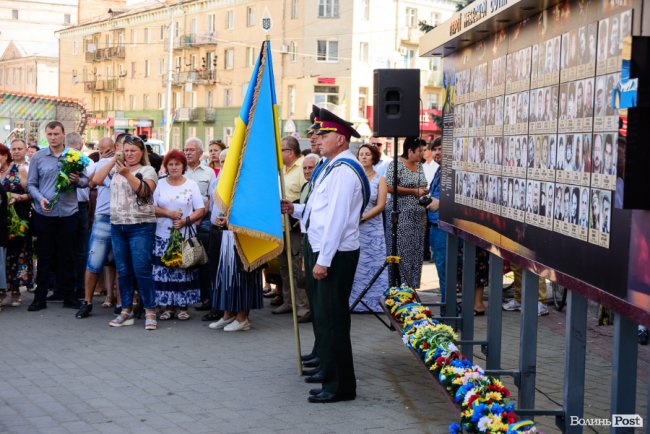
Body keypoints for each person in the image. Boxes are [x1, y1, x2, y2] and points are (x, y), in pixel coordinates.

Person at [281, 108, 367, 403]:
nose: (318, 138)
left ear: (340, 139)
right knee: (327, 318)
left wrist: (323, 260)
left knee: (333, 321)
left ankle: (340, 386)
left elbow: (338, 220)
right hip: (325, 248)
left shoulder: (344, 171)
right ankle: (331, 374)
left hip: (335, 253)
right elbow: (320, 211)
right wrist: (297, 209)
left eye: (324, 134)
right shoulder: (332, 166)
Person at [95, 135, 158, 329]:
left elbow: (145, 192)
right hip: (118, 225)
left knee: (141, 269)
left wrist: (127, 174)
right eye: (126, 150)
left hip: (141, 226)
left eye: (133, 151)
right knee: (123, 271)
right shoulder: (116, 167)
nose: (129, 154)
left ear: (142, 152)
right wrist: (115, 159)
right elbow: (96, 179)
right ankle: (126, 310)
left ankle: (150, 310)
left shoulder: (148, 170)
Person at [27, 121, 87, 311]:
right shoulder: (38, 157)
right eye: (50, 134)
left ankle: (69, 296)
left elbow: (87, 181)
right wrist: (40, 198)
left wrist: (78, 180)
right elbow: (31, 185)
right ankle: (40, 298)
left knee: (67, 256)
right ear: (46, 136)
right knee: (45, 257)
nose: (53, 138)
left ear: (63, 135)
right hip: (44, 213)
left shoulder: (74, 157)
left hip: (69, 213)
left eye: (56, 134)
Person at [152, 150, 205, 320]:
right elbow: (151, 207)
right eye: (170, 164)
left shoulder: (191, 185)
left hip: (185, 236)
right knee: (165, 271)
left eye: (177, 164)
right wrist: (169, 214)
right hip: (162, 236)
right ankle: (167, 306)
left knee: (183, 271)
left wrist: (185, 221)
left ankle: (183, 306)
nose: (174, 167)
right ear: (166, 166)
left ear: (183, 166)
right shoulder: (159, 184)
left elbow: (201, 209)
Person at [75, 137, 121, 319]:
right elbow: (89, 182)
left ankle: (120, 303)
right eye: (102, 149)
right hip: (103, 218)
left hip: (123, 218)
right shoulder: (100, 163)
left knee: (121, 264)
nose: (106, 152)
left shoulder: (132, 164)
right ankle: (87, 302)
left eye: (109, 149)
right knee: (94, 262)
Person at [273, 136, 310, 319]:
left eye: (281, 150)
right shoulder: (280, 170)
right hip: (280, 226)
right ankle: (288, 302)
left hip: (295, 225)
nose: (278, 153)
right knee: (284, 267)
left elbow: (308, 195)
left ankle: (303, 308)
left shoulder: (304, 167)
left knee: (297, 268)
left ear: (290, 152)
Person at [385, 137, 428, 289]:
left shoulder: (419, 165)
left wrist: (423, 191)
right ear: (410, 150)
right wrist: (413, 191)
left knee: (416, 250)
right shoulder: (396, 164)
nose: (422, 153)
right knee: (402, 250)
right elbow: (389, 186)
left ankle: (411, 286)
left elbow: (422, 184)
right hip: (401, 215)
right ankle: (398, 286)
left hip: (419, 216)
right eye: (420, 151)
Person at [349, 144, 387, 313]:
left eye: (367, 154)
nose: (363, 157)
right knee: (357, 265)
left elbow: (381, 205)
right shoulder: (354, 177)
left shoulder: (380, 179)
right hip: (354, 227)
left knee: (374, 264)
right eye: (361, 154)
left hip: (372, 227)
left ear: (373, 157)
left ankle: (375, 303)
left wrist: (363, 217)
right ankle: (355, 301)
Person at [183, 137, 216, 312]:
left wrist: (199, 217)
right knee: (184, 259)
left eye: (191, 149)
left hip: (202, 222)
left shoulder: (208, 172)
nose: (187, 152)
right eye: (186, 149)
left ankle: (205, 297)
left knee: (202, 260)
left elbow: (211, 198)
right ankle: (185, 296)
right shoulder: (179, 170)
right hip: (181, 222)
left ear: (200, 153)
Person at [65, 132, 96, 300]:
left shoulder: (84, 162)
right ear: (80, 145)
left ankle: (66, 288)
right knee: (80, 249)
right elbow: (90, 183)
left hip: (70, 207)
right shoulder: (89, 163)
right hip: (79, 206)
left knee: (67, 248)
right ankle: (80, 288)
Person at [0, 142, 31, 307]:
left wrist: (17, 197)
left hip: (16, 218)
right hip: (1, 220)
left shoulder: (19, 170)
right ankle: (1, 290)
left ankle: (15, 291)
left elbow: (30, 193)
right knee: (2, 256)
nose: (16, 151)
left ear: (5, 155)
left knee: (16, 254)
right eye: (14, 148)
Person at [425, 138, 446, 305]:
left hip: (444, 228)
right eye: (435, 149)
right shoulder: (440, 171)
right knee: (441, 269)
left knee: (445, 269)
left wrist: (439, 203)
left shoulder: (451, 171)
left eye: (440, 149)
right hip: (435, 226)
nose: (437, 152)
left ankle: (449, 308)